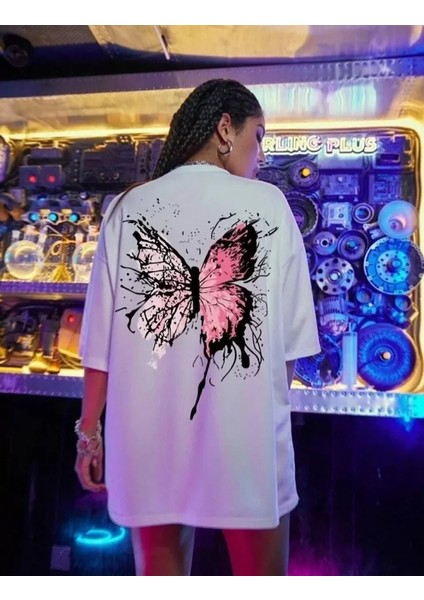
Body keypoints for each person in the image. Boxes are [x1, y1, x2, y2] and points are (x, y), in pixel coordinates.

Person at [74, 78, 320, 576]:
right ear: (225, 128)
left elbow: (100, 345)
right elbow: (289, 353)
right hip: (246, 443)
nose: (261, 154)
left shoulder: (127, 207)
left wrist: (89, 437)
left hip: (147, 442)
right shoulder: (270, 205)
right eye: (258, 136)